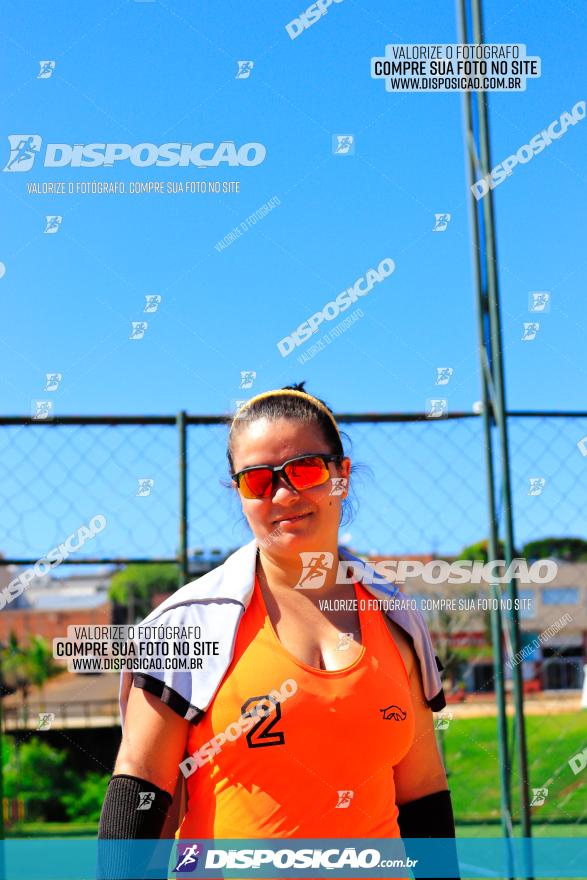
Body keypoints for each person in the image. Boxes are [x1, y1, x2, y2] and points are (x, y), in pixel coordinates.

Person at [99, 384, 458, 879]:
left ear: (342, 477)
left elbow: (423, 790)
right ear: (238, 492)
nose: (284, 495)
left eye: (306, 470)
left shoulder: (396, 615)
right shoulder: (186, 624)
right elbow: (141, 788)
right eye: (257, 480)